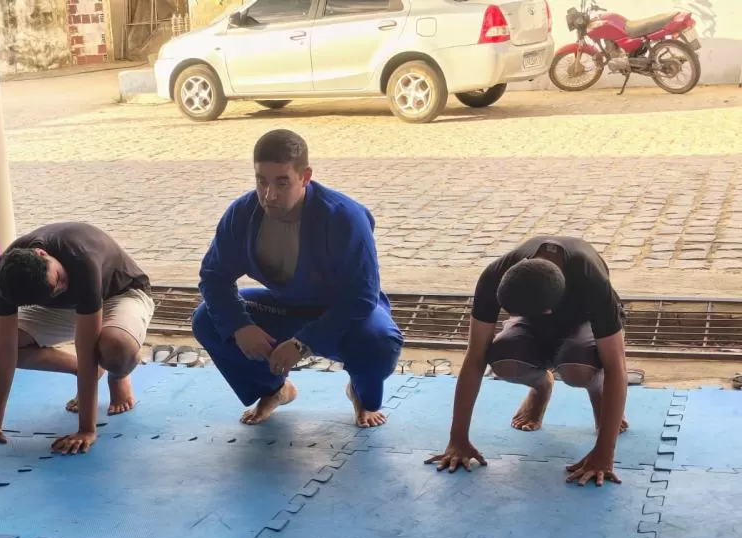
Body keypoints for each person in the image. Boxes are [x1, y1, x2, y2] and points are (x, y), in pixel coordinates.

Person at [191, 129, 403, 428]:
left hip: (345, 314)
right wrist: (240, 326)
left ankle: (360, 391)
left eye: (282, 182)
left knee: (380, 342)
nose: (269, 195)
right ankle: (274, 389)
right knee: (208, 319)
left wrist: (303, 343)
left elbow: (361, 297)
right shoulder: (242, 214)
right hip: (286, 308)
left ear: (305, 177)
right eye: (261, 181)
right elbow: (214, 277)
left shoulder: (344, 217)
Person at [425, 235, 629, 487]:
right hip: (534, 316)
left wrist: (604, 454)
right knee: (504, 362)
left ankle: (599, 394)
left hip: (585, 322)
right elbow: (475, 355)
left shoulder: (591, 280)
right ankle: (541, 387)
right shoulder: (495, 275)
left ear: (548, 312)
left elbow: (616, 366)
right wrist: (457, 439)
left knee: (578, 370)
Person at [0, 222, 154, 455]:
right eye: (54, 287)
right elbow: (4, 347)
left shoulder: (81, 260)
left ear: (42, 253)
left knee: (115, 347)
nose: (62, 286)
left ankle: (118, 376)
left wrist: (86, 430)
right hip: (61, 307)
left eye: (58, 277)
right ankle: (83, 371)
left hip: (119, 294)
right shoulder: (7, 276)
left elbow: (87, 350)